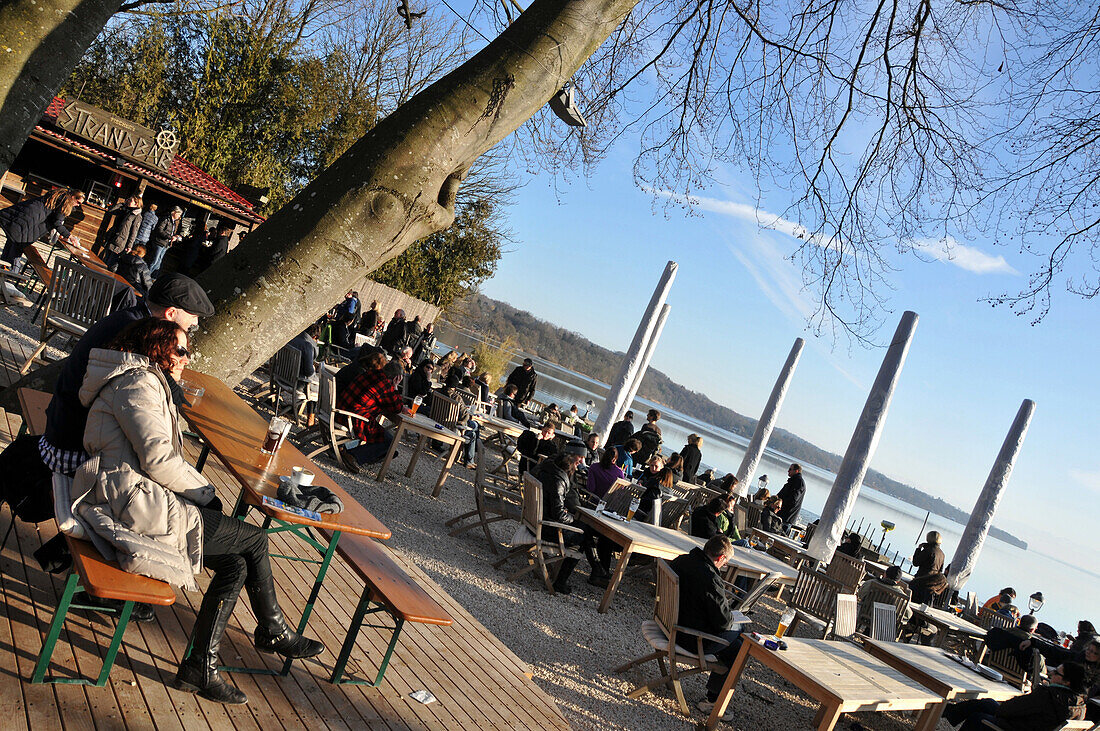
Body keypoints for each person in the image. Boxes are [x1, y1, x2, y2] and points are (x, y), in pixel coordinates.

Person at [69, 319, 322, 705]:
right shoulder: (137, 384)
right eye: (182, 350)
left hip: (131, 494)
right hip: (130, 502)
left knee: (237, 561)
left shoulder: (141, 379)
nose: (188, 358)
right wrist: (206, 492)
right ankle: (271, 630)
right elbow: (157, 459)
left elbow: (157, 458)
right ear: (157, 348)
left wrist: (201, 493)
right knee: (252, 538)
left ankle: (201, 666)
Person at [668, 535, 744, 720]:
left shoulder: (683, 560)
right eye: (725, 563)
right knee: (740, 643)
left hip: (670, 622)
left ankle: (712, 698)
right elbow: (723, 622)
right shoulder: (710, 579)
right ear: (720, 558)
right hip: (690, 638)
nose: (723, 567)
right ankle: (712, 701)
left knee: (736, 644)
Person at [536, 443, 613, 593]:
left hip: (537, 521)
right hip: (545, 528)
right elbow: (558, 514)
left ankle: (597, 569)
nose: (576, 469)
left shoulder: (547, 470)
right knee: (583, 535)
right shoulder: (558, 481)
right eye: (575, 466)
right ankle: (561, 582)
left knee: (584, 531)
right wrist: (572, 518)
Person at [943, 662, 1086, 731]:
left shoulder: (1048, 696)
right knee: (987, 703)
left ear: (1067, 682)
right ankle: (946, 711)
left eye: (1056, 673)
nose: (1052, 673)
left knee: (978, 717)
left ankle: (944, 711)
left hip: (1015, 727)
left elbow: (1007, 710)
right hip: (1026, 725)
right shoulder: (1080, 706)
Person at [336, 348, 405, 472]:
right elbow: (397, 408)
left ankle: (345, 448)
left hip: (341, 409)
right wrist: (395, 387)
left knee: (388, 447)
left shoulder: (371, 373)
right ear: (397, 378)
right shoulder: (386, 385)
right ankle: (352, 455)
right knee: (389, 442)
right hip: (352, 418)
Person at [0, 187, 82, 265]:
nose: (78, 205)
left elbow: (53, 220)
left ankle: (5, 266)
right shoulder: (64, 203)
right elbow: (57, 223)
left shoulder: (57, 197)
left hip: (24, 217)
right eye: (78, 202)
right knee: (18, 244)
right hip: (28, 221)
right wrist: (70, 237)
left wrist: (62, 234)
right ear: (73, 197)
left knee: (13, 240)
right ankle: (12, 271)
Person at [287, 323, 322, 426]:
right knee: (318, 385)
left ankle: (295, 408)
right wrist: (314, 368)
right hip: (296, 383)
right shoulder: (307, 345)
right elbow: (309, 372)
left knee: (313, 381)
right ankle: (310, 417)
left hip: (282, 375)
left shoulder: (293, 338)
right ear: (315, 337)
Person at [104, 195, 143, 270]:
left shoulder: (137, 216)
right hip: (112, 237)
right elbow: (111, 210)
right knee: (105, 261)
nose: (128, 201)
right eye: (128, 199)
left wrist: (129, 246)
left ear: (136, 203)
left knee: (111, 264)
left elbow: (134, 232)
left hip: (121, 242)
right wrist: (121, 204)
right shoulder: (125, 209)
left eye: (130, 200)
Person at [909, 531, 948, 603]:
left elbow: (916, 562)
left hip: (921, 580)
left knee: (913, 600)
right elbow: (940, 570)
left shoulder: (928, 550)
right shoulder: (942, 554)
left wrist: (918, 549)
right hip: (932, 584)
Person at [147, 205, 183, 275]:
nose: (179, 216)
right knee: (154, 261)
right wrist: (170, 237)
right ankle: (146, 275)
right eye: (179, 214)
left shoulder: (174, 222)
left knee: (159, 262)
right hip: (160, 242)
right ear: (174, 212)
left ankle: (152, 276)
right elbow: (159, 230)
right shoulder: (165, 219)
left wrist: (175, 235)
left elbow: (170, 232)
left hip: (166, 244)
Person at [776, 463, 805, 529]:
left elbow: (793, 500)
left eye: (790, 469)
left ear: (796, 471)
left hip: (787, 517)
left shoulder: (798, 482)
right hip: (781, 514)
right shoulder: (792, 481)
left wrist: (780, 504)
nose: (788, 471)